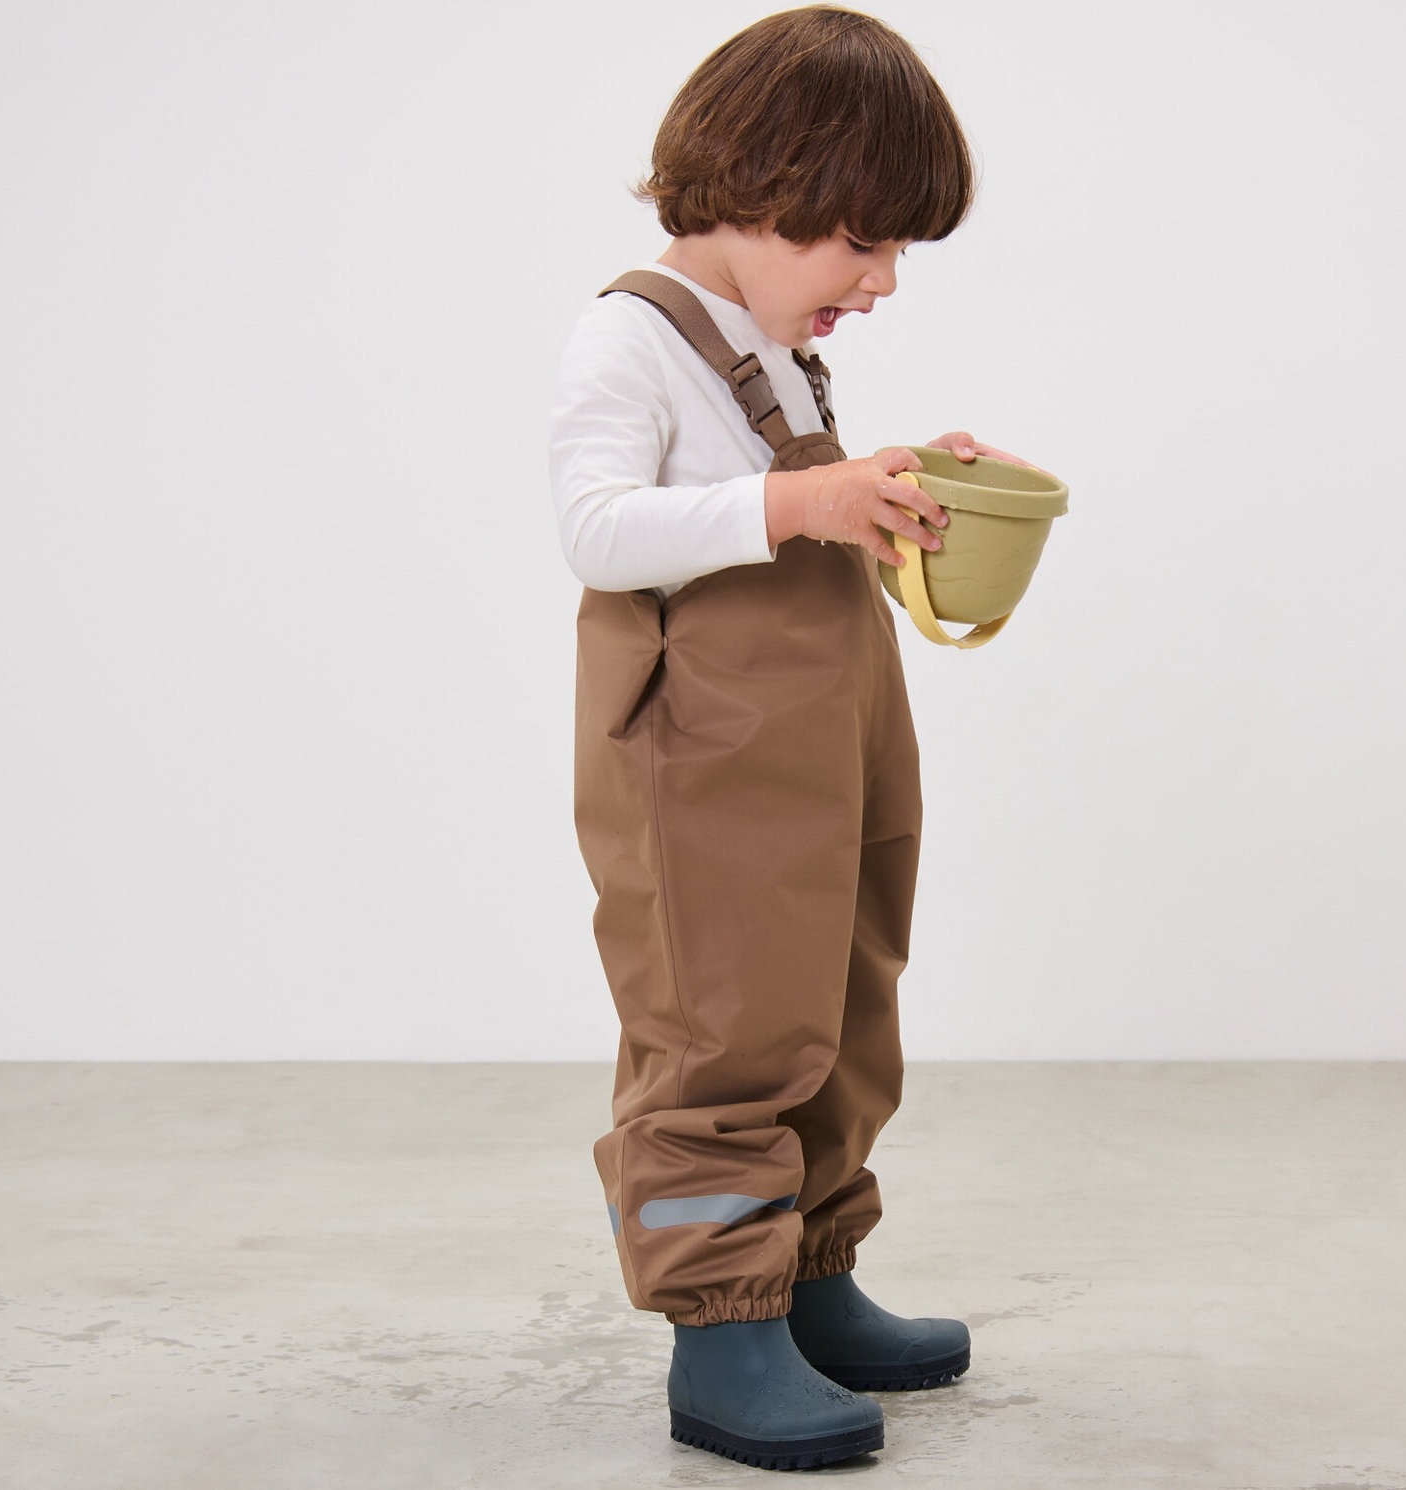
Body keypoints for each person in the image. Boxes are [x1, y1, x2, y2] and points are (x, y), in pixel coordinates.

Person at [548, 6, 1036, 1471]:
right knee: (725, 1014)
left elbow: (787, 505)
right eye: (862, 244)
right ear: (766, 190)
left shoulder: (764, 346)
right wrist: (800, 505)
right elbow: (596, 531)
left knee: (843, 984)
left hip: (826, 728)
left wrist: (893, 490)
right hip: (706, 741)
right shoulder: (626, 340)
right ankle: (721, 1324)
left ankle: (809, 1274)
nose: (881, 282)